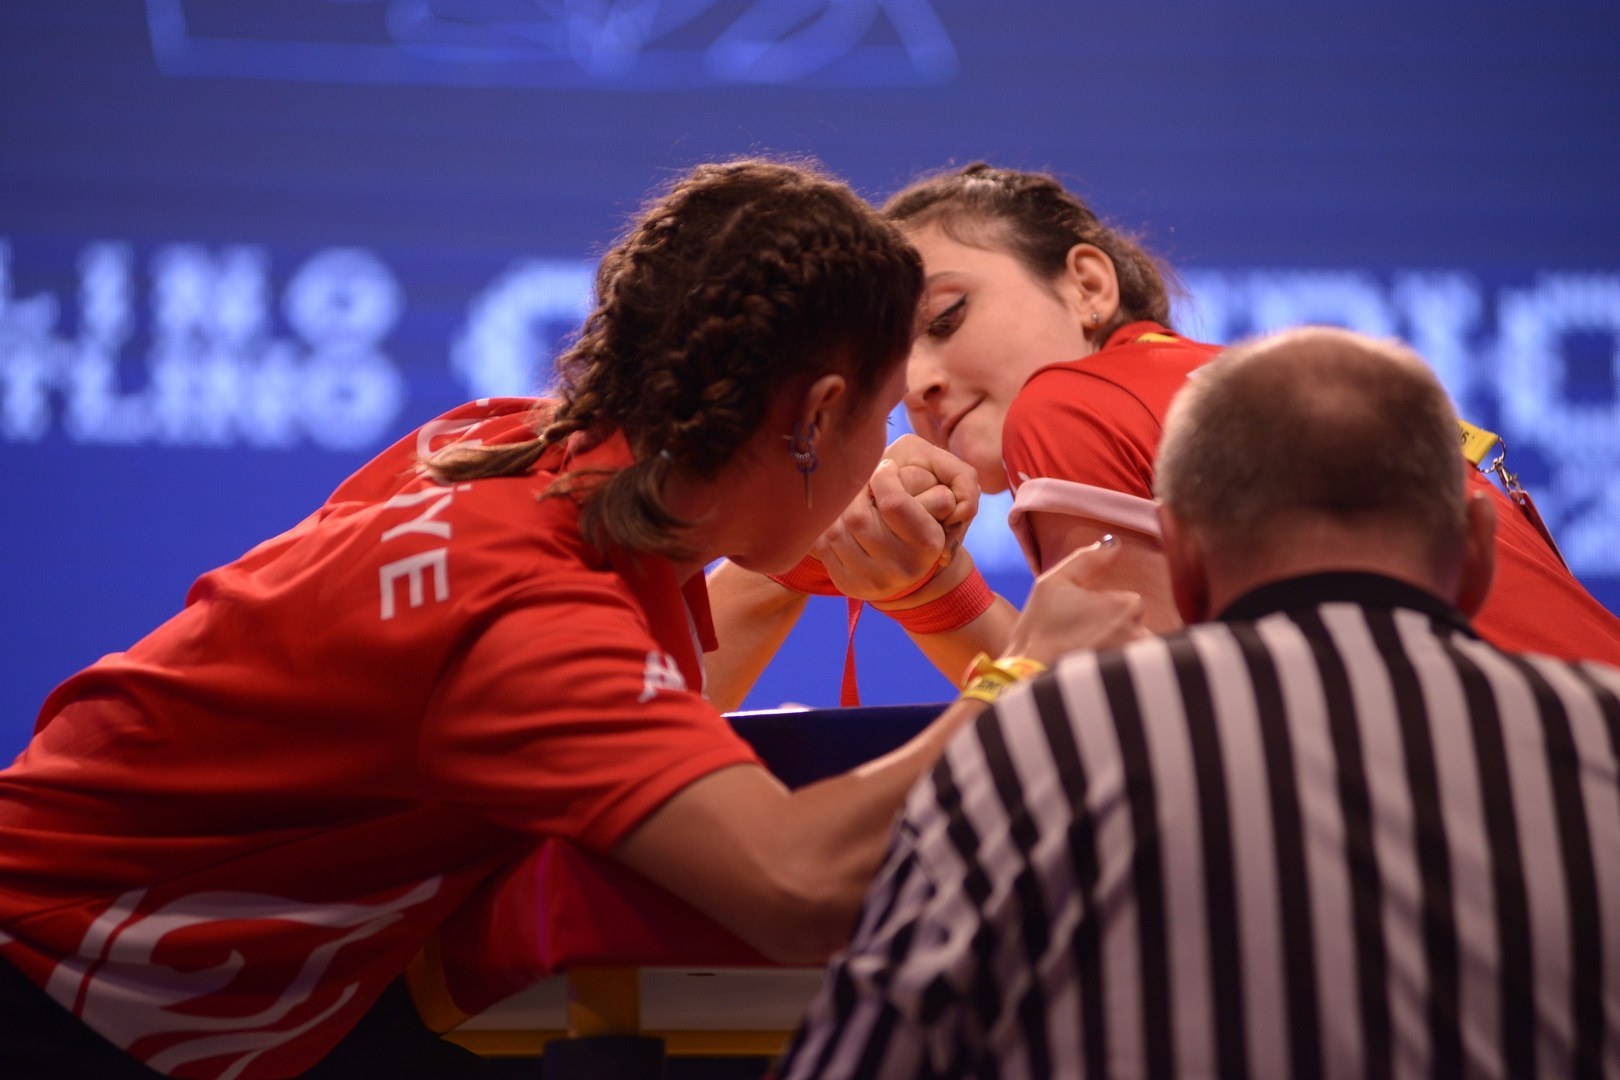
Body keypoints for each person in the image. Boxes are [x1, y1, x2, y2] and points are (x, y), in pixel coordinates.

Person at [0, 159, 1145, 1078]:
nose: (898, 439)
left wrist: (826, 564)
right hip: (47, 991)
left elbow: (636, 732)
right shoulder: (523, 606)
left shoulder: (505, 444)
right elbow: (796, 889)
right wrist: (1025, 680)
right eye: (883, 413)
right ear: (817, 414)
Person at [777, 326, 1620, 1080]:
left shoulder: (1052, 732)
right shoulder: (1604, 734)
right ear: (1478, 553)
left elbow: (863, 1048)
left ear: (1179, 559)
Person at [882, 160, 1620, 662]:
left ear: (1088, 286)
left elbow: (1133, 741)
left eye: (946, 318)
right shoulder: (1239, 395)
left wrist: (928, 598)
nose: (915, 383)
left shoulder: (1067, 401)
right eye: (888, 360)